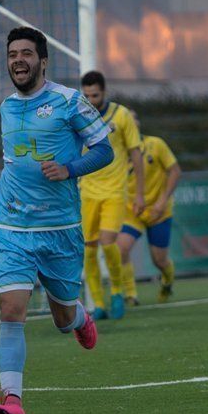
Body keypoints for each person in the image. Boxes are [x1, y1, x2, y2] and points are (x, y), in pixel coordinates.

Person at [0, 27, 113, 414]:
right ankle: (13, 400)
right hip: (11, 223)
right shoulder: (6, 106)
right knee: (11, 309)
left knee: (60, 318)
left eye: (25, 53)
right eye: (11, 54)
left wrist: (69, 169)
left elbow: (105, 150)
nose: (17, 60)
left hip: (59, 228)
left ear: (43, 60)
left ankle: (77, 318)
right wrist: (1, 184)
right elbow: (14, 159)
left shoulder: (69, 101)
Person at [79, 71, 144, 320]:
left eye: (94, 95)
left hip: (115, 191)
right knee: (88, 251)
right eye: (86, 95)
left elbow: (135, 153)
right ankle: (99, 304)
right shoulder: (78, 116)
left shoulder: (121, 115)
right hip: (87, 193)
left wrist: (138, 193)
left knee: (108, 244)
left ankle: (117, 291)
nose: (90, 99)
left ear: (104, 92)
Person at [117, 110, 182, 305]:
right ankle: (130, 294)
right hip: (132, 212)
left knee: (159, 261)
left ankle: (167, 281)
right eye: (127, 119)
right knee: (120, 248)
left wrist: (162, 201)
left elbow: (175, 171)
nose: (131, 122)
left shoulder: (156, 144)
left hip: (158, 212)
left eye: (134, 118)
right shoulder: (116, 152)